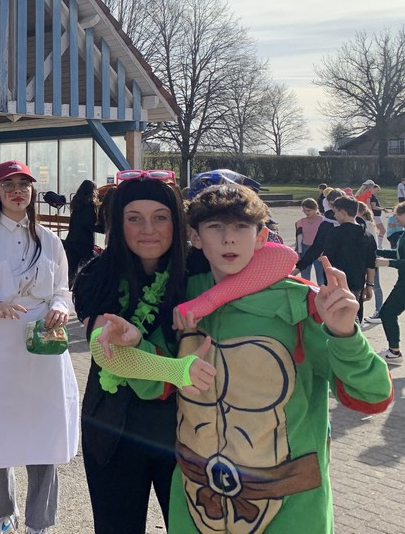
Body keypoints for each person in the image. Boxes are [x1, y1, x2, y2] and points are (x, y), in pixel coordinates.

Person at [158, 184, 389, 533]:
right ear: (195, 237)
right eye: (215, 227)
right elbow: (149, 384)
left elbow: (372, 396)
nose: (229, 238)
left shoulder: (305, 304)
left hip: (290, 510)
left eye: (241, 227)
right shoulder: (180, 294)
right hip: (196, 503)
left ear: (262, 236)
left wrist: (346, 335)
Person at [0, 160, 78, 534]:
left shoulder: (49, 240)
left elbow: (63, 289)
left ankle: (39, 521)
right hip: (0, 347)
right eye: (9, 185)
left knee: (45, 431)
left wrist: (60, 306)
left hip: (44, 348)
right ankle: (0, 514)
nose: (17, 191)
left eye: (24, 184)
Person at [73, 172, 188, 533]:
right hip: (114, 432)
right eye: (134, 218)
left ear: (176, 221)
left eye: (160, 217)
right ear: (117, 224)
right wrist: (182, 371)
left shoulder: (199, 272)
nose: (148, 230)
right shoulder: (95, 276)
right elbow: (109, 355)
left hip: (188, 435)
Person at [294, 196, 376, 323]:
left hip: (336, 286)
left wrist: (297, 269)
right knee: (354, 319)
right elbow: (371, 263)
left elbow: (320, 253)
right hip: (357, 285)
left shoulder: (334, 233)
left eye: (336, 212)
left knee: (337, 320)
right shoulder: (368, 235)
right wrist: (369, 285)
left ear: (343, 213)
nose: (334, 215)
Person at [374, 200, 405, 364]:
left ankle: (394, 352)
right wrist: (378, 251)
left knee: (387, 312)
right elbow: (400, 253)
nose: (395, 217)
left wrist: (387, 263)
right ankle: (394, 351)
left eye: (399, 214)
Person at [63, 180, 99, 287]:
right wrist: (104, 229)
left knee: (71, 269)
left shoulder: (76, 203)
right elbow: (89, 224)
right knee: (87, 268)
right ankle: (83, 289)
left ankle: (67, 288)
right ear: (92, 191)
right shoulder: (90, 205)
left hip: (72, 240)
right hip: (84, 242)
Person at [294, 198, 326, 284]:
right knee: (305, 275)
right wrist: (298, 252)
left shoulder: (323, 221)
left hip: (319, 249)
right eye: (304, 211)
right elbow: (298, 238)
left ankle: (321, 290)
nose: (306, 213)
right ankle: (306, 290)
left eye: (309, 210)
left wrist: (324, 250)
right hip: (305, 248)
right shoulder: (300, 222)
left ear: (315, 209)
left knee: (320, 275)